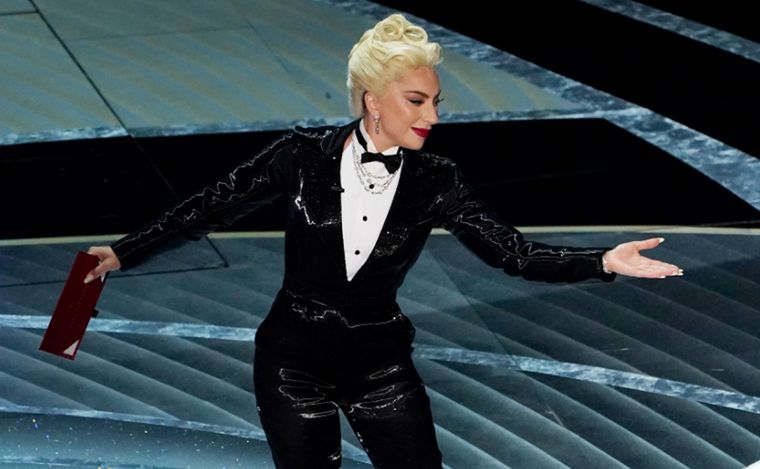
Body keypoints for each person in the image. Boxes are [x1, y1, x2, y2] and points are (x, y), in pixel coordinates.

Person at [84, 13, 682, 469]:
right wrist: (124, 252)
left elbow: (513, 253)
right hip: (292, 366)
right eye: (416, 101)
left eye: (435, 103)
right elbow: (208, 205)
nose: (432, 117)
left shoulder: (437, 179)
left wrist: (603, 260)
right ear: (372, 100)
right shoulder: (300, 156)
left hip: (380, 368)